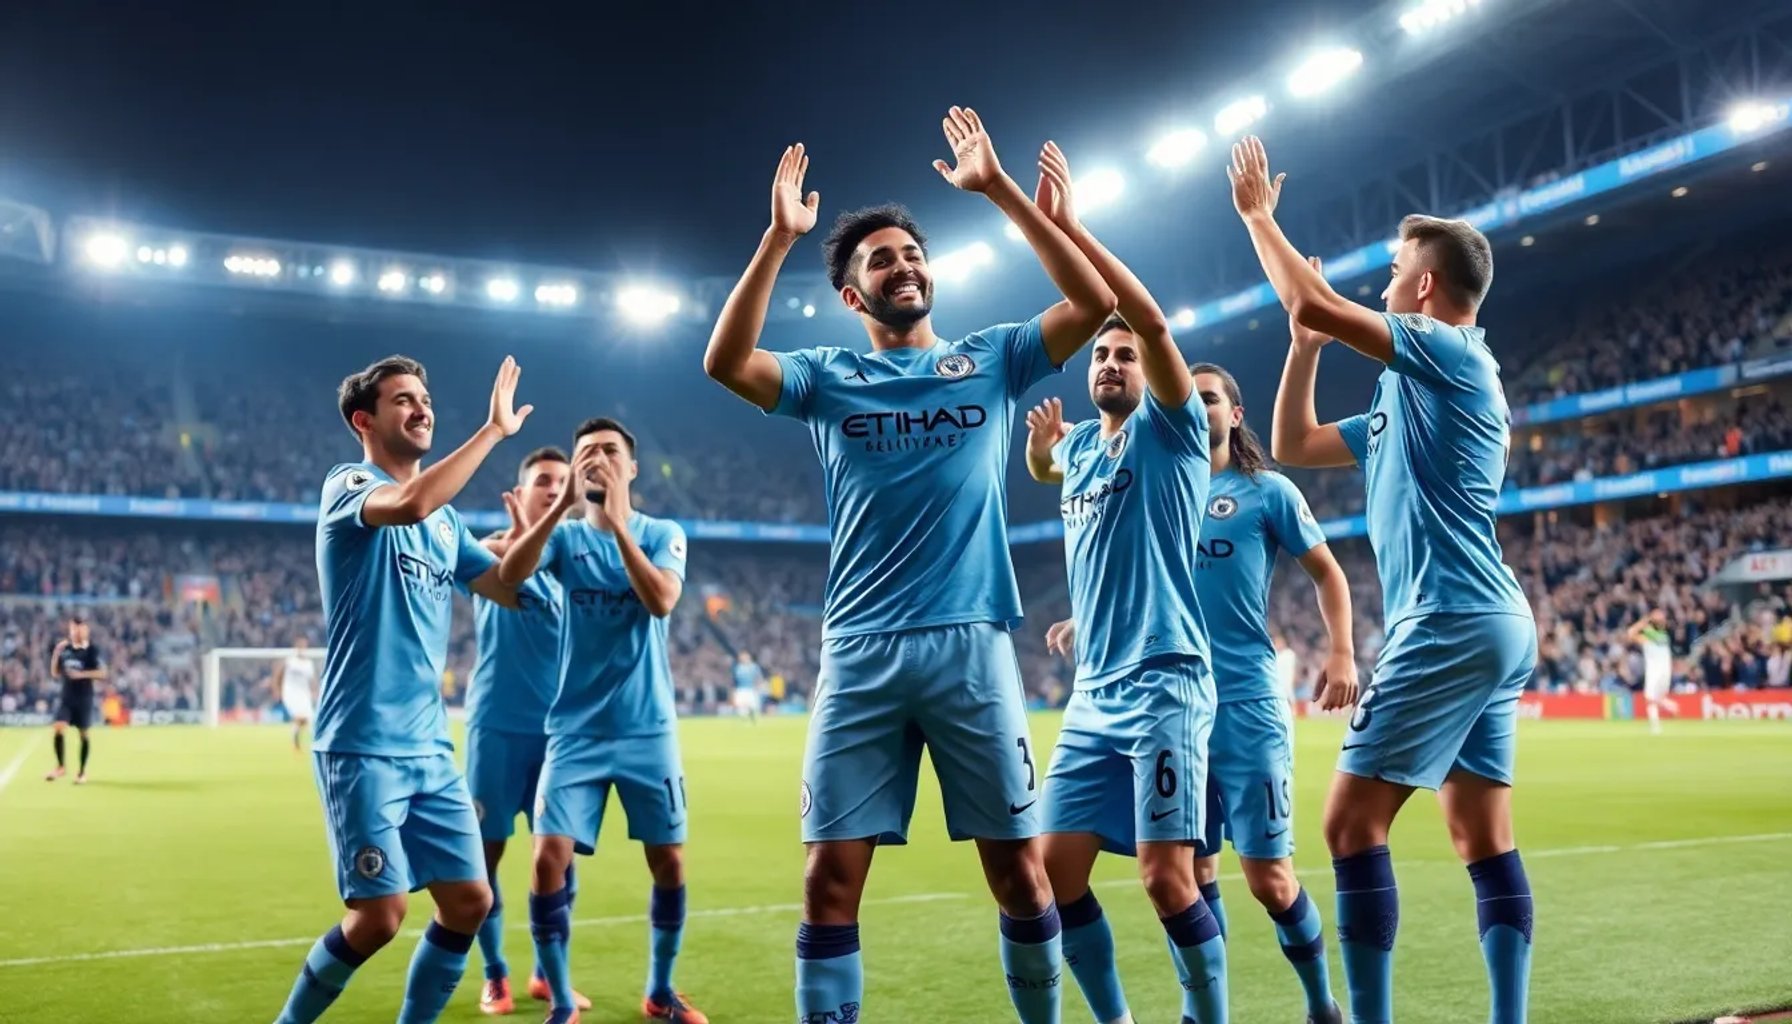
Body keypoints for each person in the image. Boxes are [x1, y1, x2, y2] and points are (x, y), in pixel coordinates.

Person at [702, 109, 1116, 1024]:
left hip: (971, 645)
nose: (903, 267)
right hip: (859, 651)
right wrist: (778, 239)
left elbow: (1093, 306)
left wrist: (1000, 190)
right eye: (880, 261)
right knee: (827, 880)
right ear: (853, 297)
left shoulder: (992, 359)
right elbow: (724, 361)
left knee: (1020, 874)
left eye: (912, 255)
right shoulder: (825, 376)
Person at [1237, 134, 1538, 1024]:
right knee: (1481, 837)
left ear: (1426, 288)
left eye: (1396, 270)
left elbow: (1313, 296)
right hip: (1488, 618)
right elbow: (1292, 444)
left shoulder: (1451, 351)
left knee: (1347, 826)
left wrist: (1257, 217)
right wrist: (1303, 346)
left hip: (1447, 617)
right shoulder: (1409, 393)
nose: (1384, 285)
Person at [1017, 140, 1226, 1024]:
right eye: (1100, 355)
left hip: (1166, 679)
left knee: (1166, 877)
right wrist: (1039, 453)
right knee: (1051, 875)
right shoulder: (1078, 448)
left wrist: (1072, 228)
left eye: (1124, 356)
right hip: (1093, 693)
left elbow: (1153, 324)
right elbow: (1049, 472)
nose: (1110, 362)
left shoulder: (1170, 433)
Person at [273, 355, 533, 1024]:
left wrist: (544, 529)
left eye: (426, 398)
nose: (422, 409)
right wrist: (493, 431)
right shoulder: (349, 485)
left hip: (431, 751)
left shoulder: (448, 526)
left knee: (470, 902)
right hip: (362, 744)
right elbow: (412, 501)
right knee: (379, 917)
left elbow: (507, 587)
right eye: (403, 400)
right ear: (364, 420)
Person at [498, 418, 703, 1024]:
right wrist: (562, 503)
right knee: (546, 858)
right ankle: (562, 999)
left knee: (669, 862)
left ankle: (660, 990)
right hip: (575, 732)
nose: (598, 458)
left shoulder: (662, 533)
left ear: (631, 468)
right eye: (586, 451)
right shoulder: (563, 539)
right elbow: (511, 574)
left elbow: (661, 600)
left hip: (647, 730)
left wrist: (617, 526)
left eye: (610, 451)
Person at [1182, 360, 1355, 1024]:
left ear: (1235, 414)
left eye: (1208, 398)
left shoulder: (1267, 491)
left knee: (1269, 880)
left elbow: (1328, 573)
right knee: (1190, 876)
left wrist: (1341, 652)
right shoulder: (1157, 490)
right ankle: (1207, 1013)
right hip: (1174, 710)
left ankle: (1321, 1005)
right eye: (1186, 397)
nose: (1196, 407)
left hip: (1246, 706)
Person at [463, 446, 592, 1016]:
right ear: (521, 492)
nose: (554, 489)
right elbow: (481, 558)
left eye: (563, 482)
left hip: (561, 734)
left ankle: (547, 973)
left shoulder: (580, 562)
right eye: (543, 481)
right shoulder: (490, 546)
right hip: (495, 729)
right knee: (484, 858)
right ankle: (495, 975)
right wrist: (517, 540)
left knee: (561, 858)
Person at [46, 613, 105, 784]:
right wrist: (56, 653)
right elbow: (55, 673)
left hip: (84, 698)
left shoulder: (92, 650)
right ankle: (60, 767)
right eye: (73, 628)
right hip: (67, 697)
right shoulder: (65, 649)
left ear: (85, 630)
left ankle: (82, 772)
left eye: (79, 628)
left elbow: (102, 673)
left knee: (83, 734)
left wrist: (82, 675)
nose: (76, 632)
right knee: (58, 727)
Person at [1628, 610, 1678, 734]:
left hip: (1654, 672)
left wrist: (1643, 622)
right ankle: (1670, 707)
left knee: (1651, 699)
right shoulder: (1663, 635)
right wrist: (1650, 621)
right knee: (1657, 698)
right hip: (1665, 672)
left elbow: (1630, 633)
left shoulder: (1649, 636)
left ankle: (1656, 726)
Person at [273, 636, 319, 753]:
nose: (302, 648)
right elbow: (278, 674)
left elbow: (312, 680)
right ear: (296, 646)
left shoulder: (308, 664)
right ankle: (298, 743)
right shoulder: (289, 661)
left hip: (304, 694)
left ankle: (298, 741)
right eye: (300, 645)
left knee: (308, 719)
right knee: (300, 717)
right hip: (290, 693)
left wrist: (315, 691)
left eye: (304, 645)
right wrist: (277, 689)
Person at [732, 650, 764, 723]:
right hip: (740, 690)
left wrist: (758, 687)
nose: (742, 658)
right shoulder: (737, 667)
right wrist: (734, 691)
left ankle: (754, 720)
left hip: (751, 689)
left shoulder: (754, 667)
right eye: (741, 657)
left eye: (744, 656)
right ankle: (745, 721)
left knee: (753, 707)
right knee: (741, 708)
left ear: (748, 657)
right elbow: (734, 681)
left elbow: (759, 678)